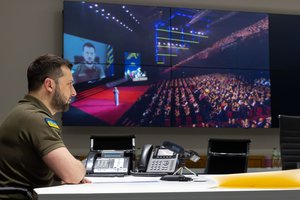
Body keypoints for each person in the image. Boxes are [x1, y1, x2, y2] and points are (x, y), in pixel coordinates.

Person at [0, 54, 90, 199]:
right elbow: (72, 174)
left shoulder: (25, 112)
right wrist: (80, 167)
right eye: (69, 84)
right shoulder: (35, 118)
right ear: (49, 85)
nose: (74, 92)